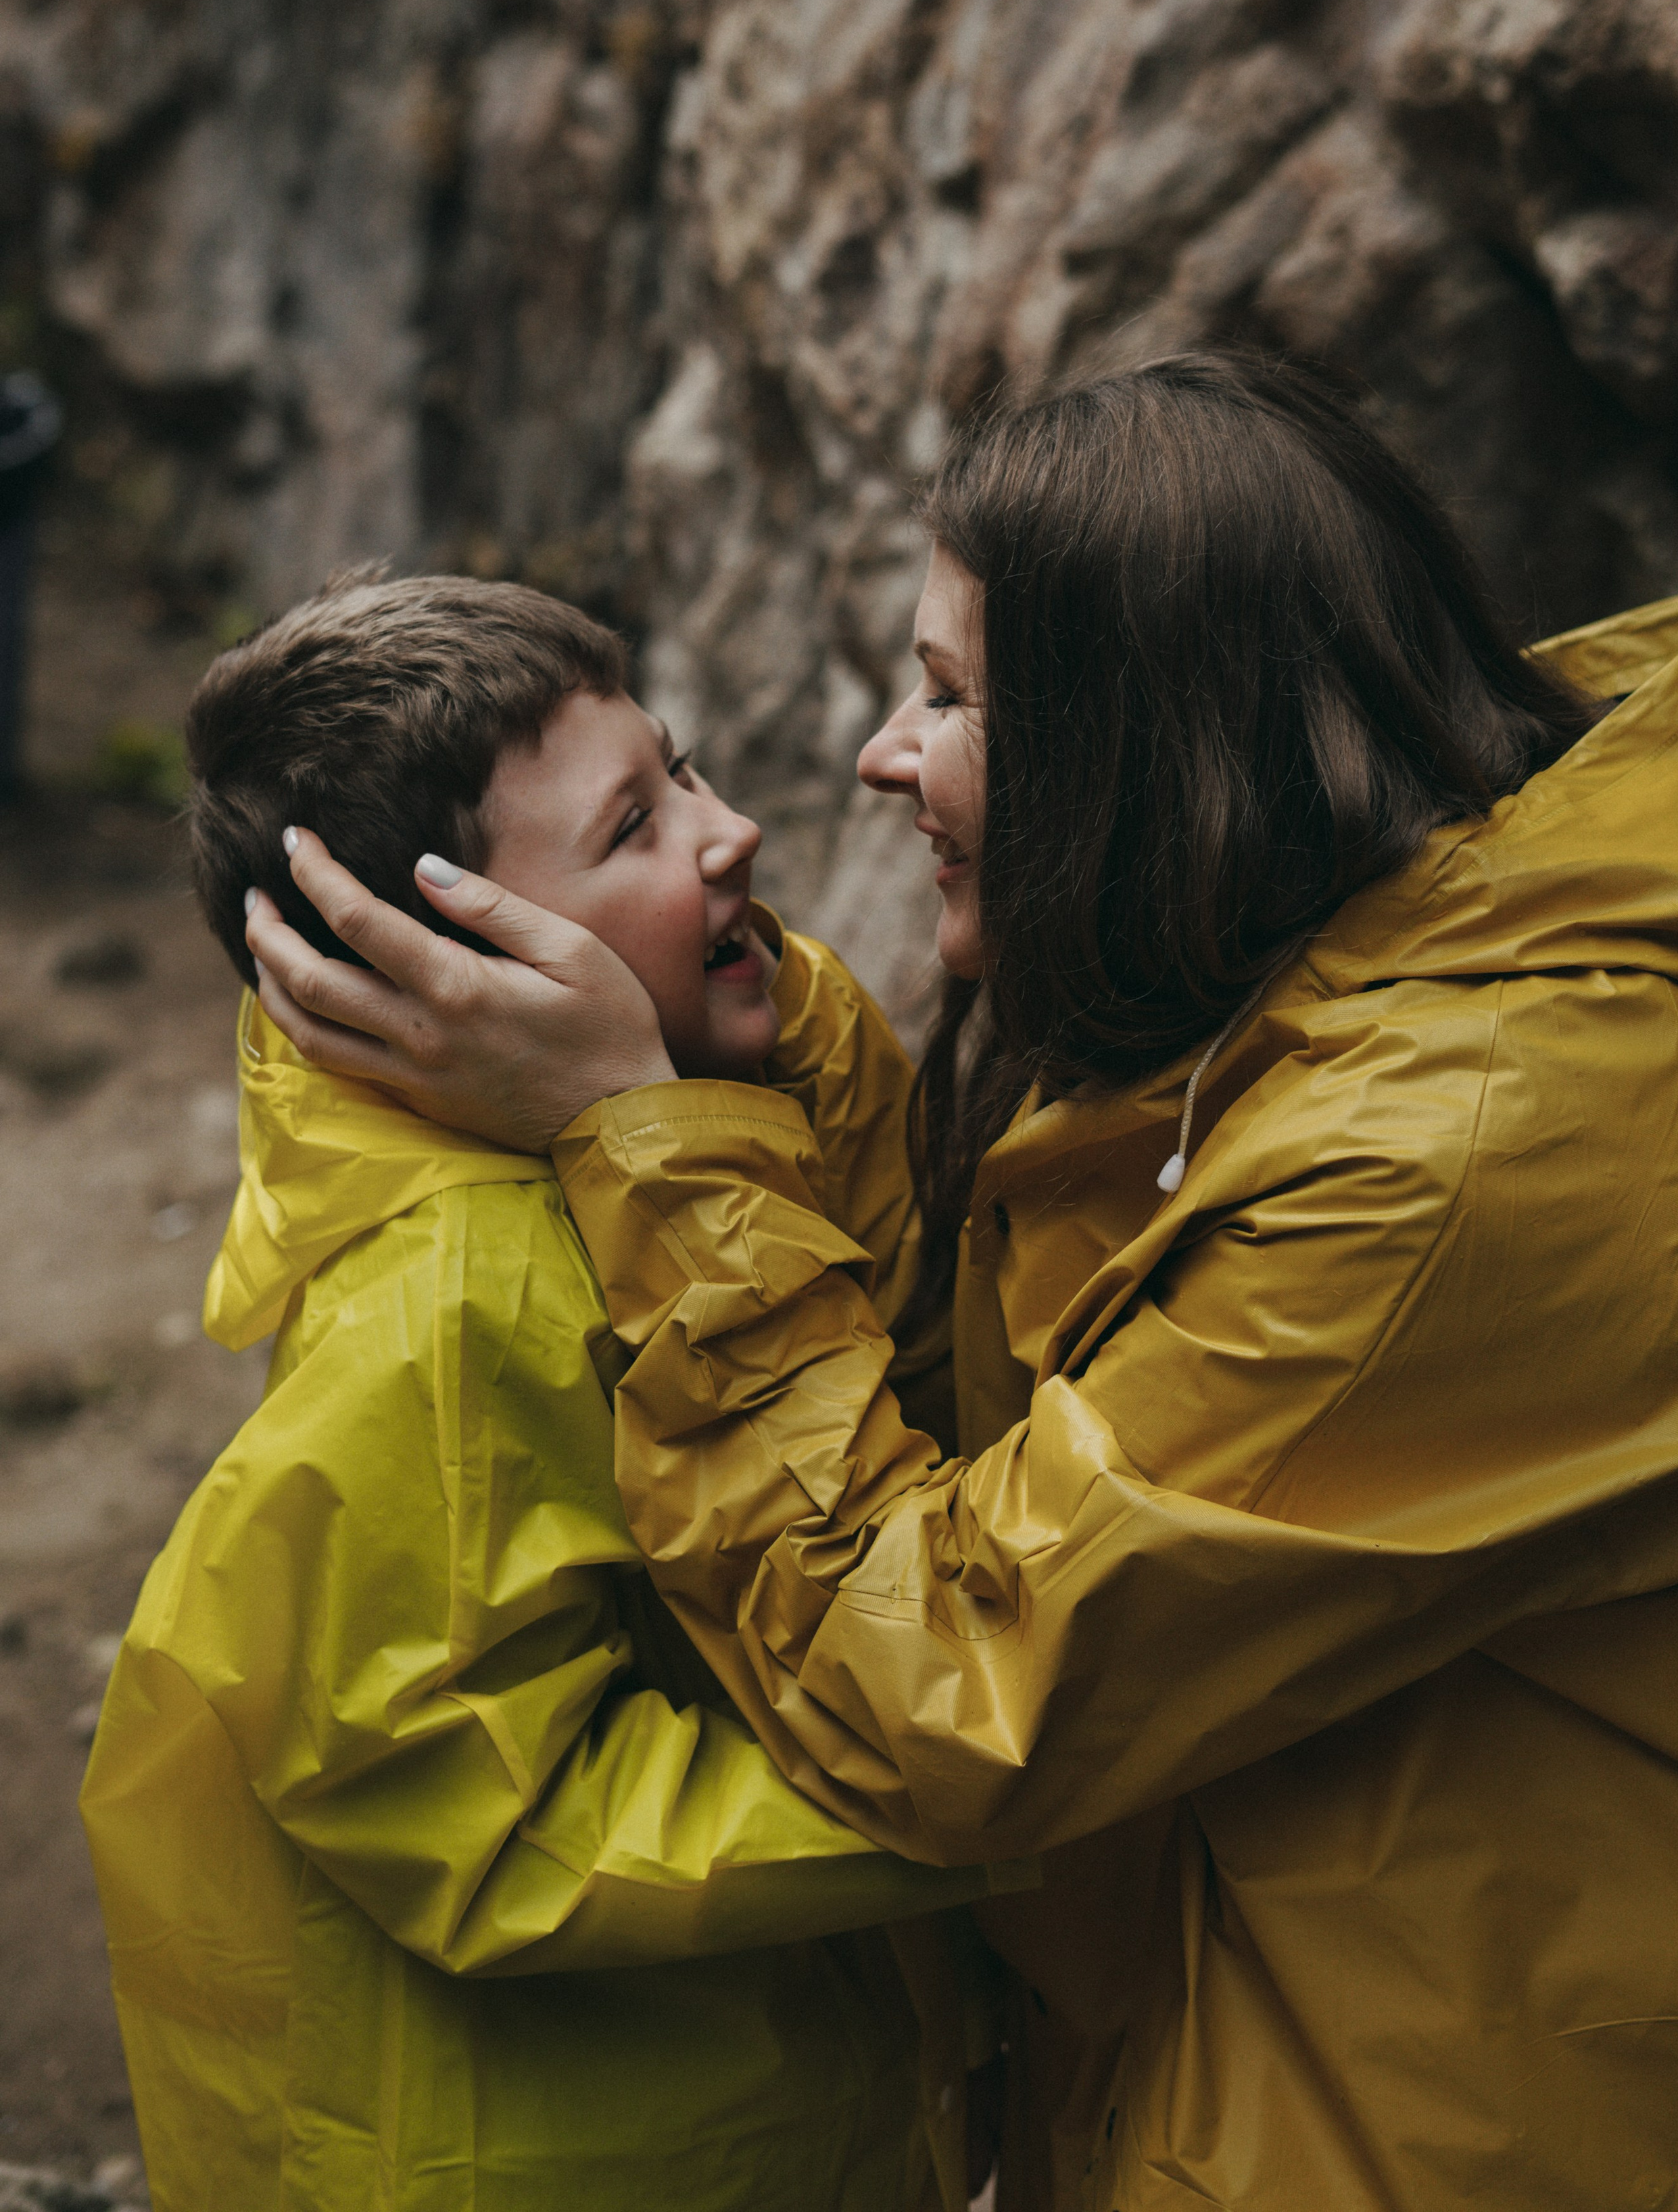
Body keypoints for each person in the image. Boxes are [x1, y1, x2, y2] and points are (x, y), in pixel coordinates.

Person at [242, 357, 1678, 2212]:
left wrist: (650, 1136)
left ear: (1155, 741)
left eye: (952, 698)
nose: (872, 760)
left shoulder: (1458, 1150)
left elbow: (944, 1691)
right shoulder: (1335, 959)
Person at [79, 573, 1011, 2212]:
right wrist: (978, 1794)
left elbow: (893, 1308)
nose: (729, 836)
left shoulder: (691, 1101)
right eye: (634, 827)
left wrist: (767, 1042)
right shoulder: (453, 1299)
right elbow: (491, 1820)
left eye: (689, 770)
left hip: (756, 2078)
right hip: (567, 2148)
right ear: (457, 968)